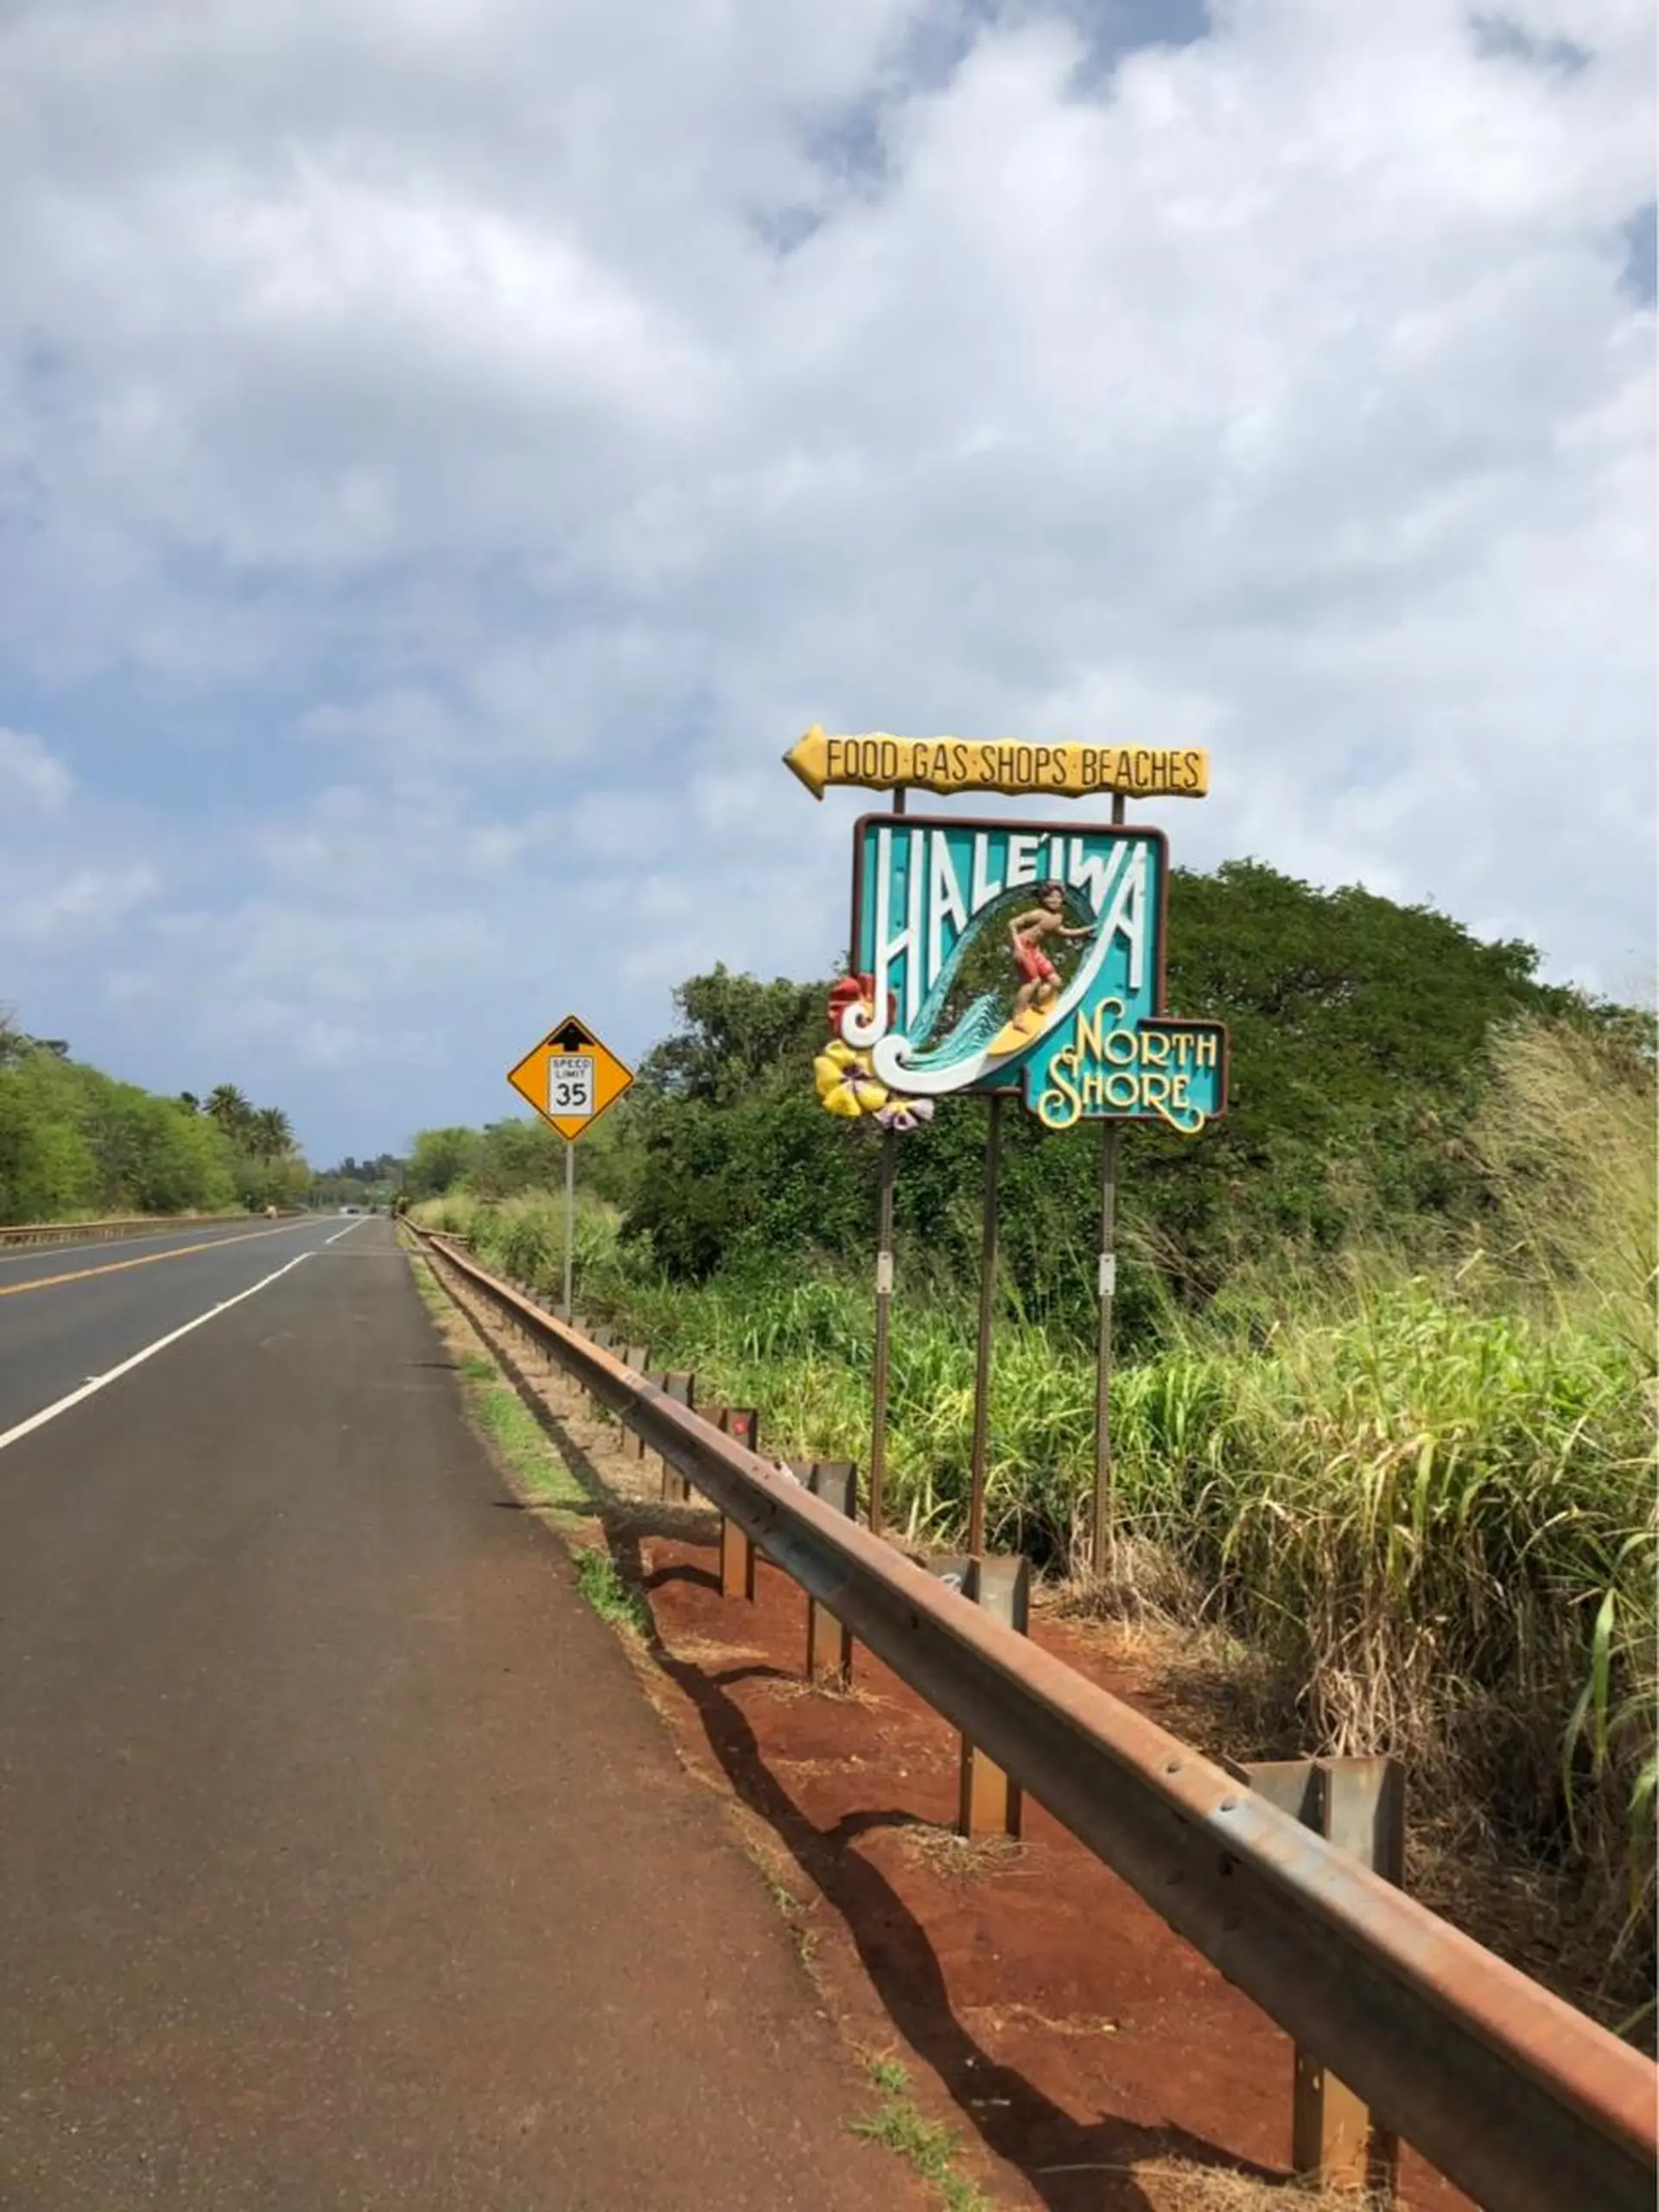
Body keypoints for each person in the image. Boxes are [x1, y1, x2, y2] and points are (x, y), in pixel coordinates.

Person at [1007, 882, 1092, 1033]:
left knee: (1055, 981)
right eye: (1051, 897)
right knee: (1033, 981)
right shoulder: (1038, 913)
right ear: (1044, 899)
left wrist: (1087, 930)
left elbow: (1064, 932)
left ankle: (1037, 1003)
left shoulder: (1056, 918)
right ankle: (1017, 1018)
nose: (1055, 900)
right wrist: (1018, 947)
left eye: (1058, 897)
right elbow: (1012, 923)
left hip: (1034, 949)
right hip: (1023, 946)